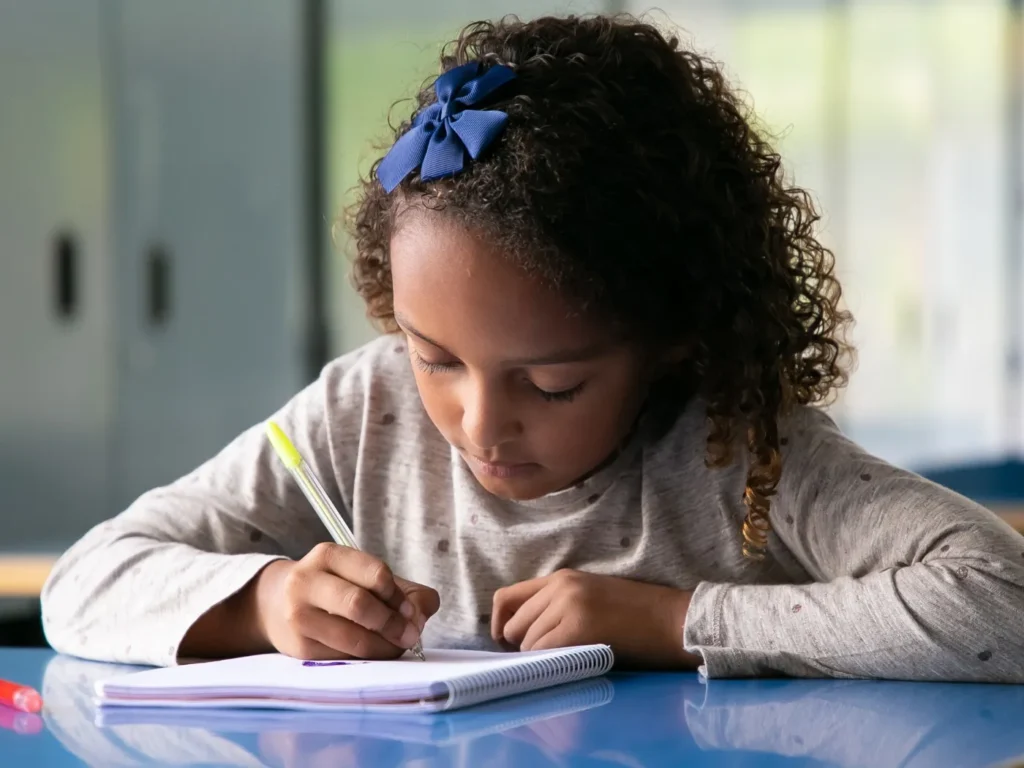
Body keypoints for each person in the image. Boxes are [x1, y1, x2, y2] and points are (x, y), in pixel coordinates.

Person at [41, 14, 1024, 680]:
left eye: (552, 384)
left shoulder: (739, 452)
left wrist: (674, 623)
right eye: (435, 357)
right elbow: (82, 585)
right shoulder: (364, 413)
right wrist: (263, 602)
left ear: (671, 337)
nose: (478, 422)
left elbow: (998, 601)